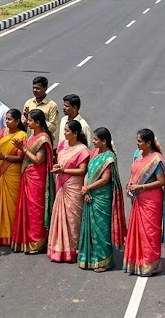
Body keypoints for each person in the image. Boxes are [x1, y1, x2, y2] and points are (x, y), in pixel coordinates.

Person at [123, 128, 165, 276]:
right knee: (138, 231)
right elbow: (133, 172)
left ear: (148, 143)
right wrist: (129, 185)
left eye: (140, 142)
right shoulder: (137, 154)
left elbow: (161, 182)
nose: (137, 144)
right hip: (138, 199)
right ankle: (138, 263)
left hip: (151, 200)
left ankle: (152, 265)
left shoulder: (156, 159)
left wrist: (140, 186)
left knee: (149, 232)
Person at [77, 127, 127, 272]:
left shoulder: (109, 158)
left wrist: (89, 188)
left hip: (101, 198)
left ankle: (105, 262)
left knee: (101, 230)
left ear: (104, 141)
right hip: (90, 193)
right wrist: (85, 187)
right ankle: (89, 258)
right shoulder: (94, 153)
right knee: (90, 228)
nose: (93, 142)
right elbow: (88, 172)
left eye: (95, 139)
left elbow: (105, 179)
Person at [10, 109, 56, 254]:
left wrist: (23, 149)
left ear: (37, 123)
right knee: (27, 208)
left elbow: (38, 160)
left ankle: (37, 241)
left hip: (37, 177)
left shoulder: (43, 139)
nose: (27, 123)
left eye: (30, 121)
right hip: (27, 175)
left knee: (35, 209)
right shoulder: (32, 135)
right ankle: (26, 239)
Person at [48, 119, 90, 262]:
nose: (64, 133)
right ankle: (59, 249)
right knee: (59, 216)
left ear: (75, 133)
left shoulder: (83, 150)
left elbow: (82, 170)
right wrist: (57, 168)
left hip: (73, 186)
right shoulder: (62, 145)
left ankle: (73, 250)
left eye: (67, 131)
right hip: (61, 184)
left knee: (72, 219)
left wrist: (64, 170)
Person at [0, 108, 26, 246]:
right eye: (6, 119)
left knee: (11, 205)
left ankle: (11, 235)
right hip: (1, 171)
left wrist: (4, 157)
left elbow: (20, 157)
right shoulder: (2, 132)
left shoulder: (22, 135)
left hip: (13, 173)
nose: (7, 121)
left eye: (10, 119)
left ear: (17, 121)